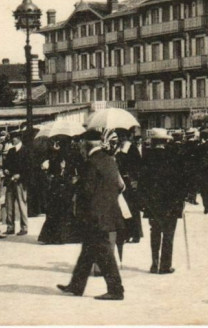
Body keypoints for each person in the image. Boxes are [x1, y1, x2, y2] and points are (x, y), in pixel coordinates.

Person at [57, 129, 125, 300]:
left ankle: (116, 290)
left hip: (95, 215)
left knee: (104, 254)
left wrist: (76, 184)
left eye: (81, 143)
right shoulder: (109, 159)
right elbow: (118, 185)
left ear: (86, 144)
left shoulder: (91, 162)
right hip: (107, 212)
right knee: (87, 252)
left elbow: (87, 190)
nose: (80, 146)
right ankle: (76, 285)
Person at [140, 128, 187, 274]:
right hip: (171, 203)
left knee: (155, 232)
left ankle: (154, 264)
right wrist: (181, 200)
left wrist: (143, 201)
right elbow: (181, 182)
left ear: (153, 142)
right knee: (168, 234)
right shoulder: (174, 156)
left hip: (153, 203)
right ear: (166, 141)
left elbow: (142, 183)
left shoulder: (146, 158)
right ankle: (165, 265)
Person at [38, 137, 76, 244]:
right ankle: (58, 236)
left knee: (58, 210)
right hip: (59, 185)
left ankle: (55, 236)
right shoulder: (57, 156)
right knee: (59, 210)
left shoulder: (59, 155)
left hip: (58, 185)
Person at [114, 129, 144, 259]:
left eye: (122, 136)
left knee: (132, 207)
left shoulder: (131, 148)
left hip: (129, 180)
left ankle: (136, 233)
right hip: (120, 180)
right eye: (119, 136)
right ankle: (126, 233)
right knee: (122, 208)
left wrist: (134, 178)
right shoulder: (117, 148)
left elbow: (137, 165)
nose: (121, 139)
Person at [3, 133, 29, 236]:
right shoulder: (11, 151)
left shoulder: (26, 151)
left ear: (18, 138)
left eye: (13, 138)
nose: (12, 140)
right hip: (10, 181)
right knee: (9, 205)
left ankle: (24, 227)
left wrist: (20, 175)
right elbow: (6, 164)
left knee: (22, 204)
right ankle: (10, 227)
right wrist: (6, 170)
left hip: (21, 182)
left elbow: (29, 167)